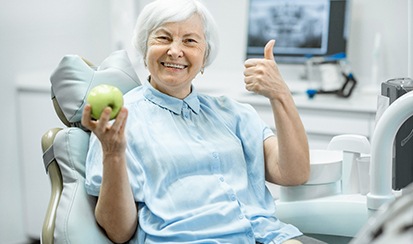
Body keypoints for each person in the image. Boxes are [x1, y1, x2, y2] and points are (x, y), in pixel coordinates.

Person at [82, 0, 323, 243]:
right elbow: (118, 232)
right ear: (145, 48)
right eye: (163, 38)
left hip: (268, 236)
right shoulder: (119, 123)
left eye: (190, 41)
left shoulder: (234, 114)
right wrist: (113, 154)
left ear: (205, 55)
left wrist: (281, 95)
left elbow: (294, 174)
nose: (175, 51)